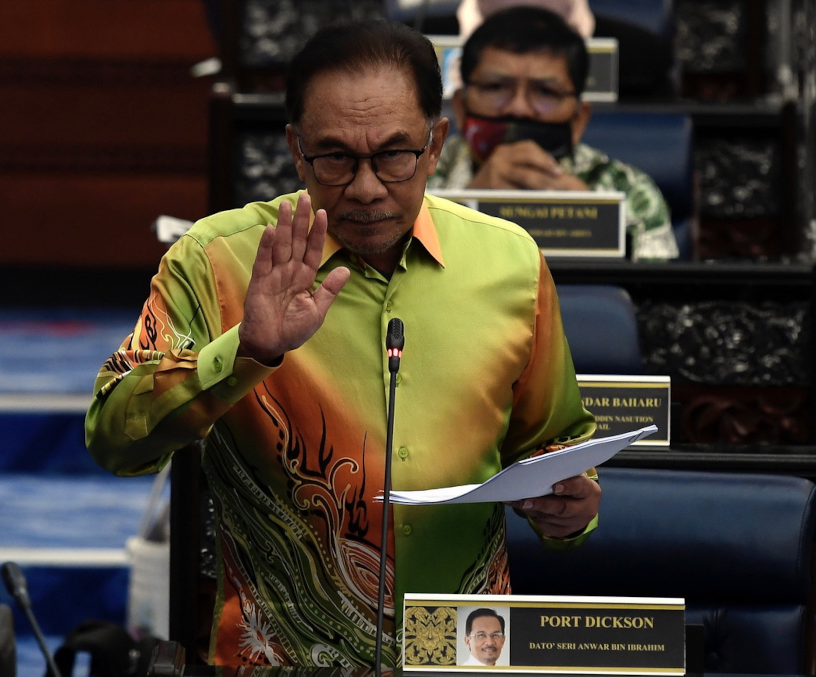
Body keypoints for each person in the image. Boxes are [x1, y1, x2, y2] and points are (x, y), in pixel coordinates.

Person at [86, 18, 599, 668]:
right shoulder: (217, 263)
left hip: (461, 658)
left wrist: (571, 507)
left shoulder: (511, 263)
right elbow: (112, 434)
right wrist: (244, 353)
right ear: (296, 151)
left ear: (436, 143)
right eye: (335, 157)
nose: (365, 186)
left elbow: (553, 444)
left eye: (393, 154)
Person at [429, 6, 680, 261]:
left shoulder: (631, 192)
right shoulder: (418, 181)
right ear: (460, 107)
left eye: (546, 92)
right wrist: (468, 207)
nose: (519, 108)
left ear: (578, 119)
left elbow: (652, 297)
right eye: (496, 87)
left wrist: (595, 224)